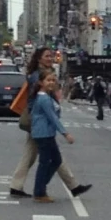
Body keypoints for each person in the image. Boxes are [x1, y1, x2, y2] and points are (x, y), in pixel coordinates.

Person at [8, 48, 89, 199]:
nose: (50, 58)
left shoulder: (45, 73)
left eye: (51, 56)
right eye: (46, 56)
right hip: (39, 122)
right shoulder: (38, 76)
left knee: (32, 155)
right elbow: (35, 100)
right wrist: (38, 118)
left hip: (39, 122)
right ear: (39, 59)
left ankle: (16, 185)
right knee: (51, 157)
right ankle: (68, 186)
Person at [27, 67, 72, 200]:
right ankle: (39, 190)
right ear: (41, 82)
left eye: (53, 80)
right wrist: (65, 133)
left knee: (54, 160)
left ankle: (40, 187)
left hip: (46, 133)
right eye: (48, 80)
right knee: (45, 162)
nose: (51, 82)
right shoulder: (44, 99)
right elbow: (52, 117)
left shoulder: (46, 96)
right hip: (43, 134)